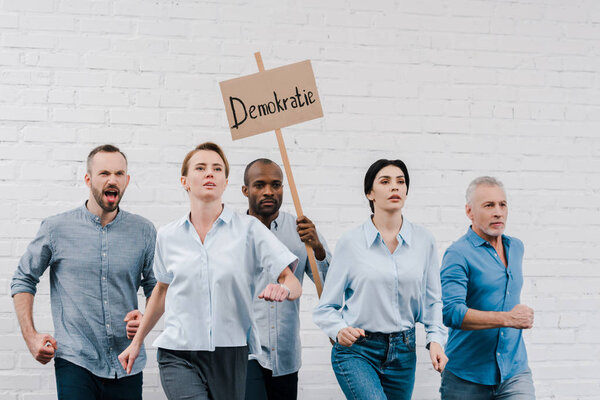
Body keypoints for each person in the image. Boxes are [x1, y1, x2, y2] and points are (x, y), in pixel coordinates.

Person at [118, 142, 303, 400]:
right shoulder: (168, 235)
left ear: (225, 182)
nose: (209, 173)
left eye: (217, 169)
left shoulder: (249, 230)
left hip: (231, 353)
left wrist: (283, 288)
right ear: (185, 181)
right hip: (177, 353)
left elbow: (293, 281)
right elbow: (161, 290)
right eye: (201, 168)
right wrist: (136, 342)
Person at [11, 144, 156, 400]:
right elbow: (24, 278)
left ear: (127, 180)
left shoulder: (144, 231)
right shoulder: (57, 228)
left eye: (119, 174)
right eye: (104, 173)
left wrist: (144, 319)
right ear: (88, 179)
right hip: (76, 361)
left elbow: (157, 288)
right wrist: (31, 336)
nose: (113, 179)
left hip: (127, 361)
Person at [313, 159, 447, 400]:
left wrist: (435, 339)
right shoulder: (350, 243)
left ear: (406, 191)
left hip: (404, 352)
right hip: (358, 351)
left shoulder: (424, 241)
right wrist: (339, 329)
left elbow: (433, 300)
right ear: (370, 193)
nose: (394, 187)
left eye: (400, 182)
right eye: (385, 182)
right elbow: (326, 308)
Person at [241, 158, 332, 400]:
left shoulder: (300, 229)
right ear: (245, 190)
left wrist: (318, 248)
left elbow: (330, 287)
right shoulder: (233, 231)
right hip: (246, 353)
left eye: (276, 184)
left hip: (285, 355)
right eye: (259, 185)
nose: (269, 191)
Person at [440, 176, 535, 399]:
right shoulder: (457, 254)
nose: (498, 212)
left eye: (502, 204)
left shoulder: (516, 247)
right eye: (489, 205)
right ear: (469, 211)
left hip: (514, 371)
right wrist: (508, 319)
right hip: (467, 377)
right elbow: (451, 312)